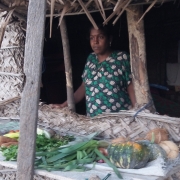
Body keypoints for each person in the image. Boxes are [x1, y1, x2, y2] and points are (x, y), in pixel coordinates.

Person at [51, 24, 136, 117]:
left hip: (119, 121)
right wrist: (64, 105)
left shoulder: (121, 57)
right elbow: (84, 87)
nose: (95, 41)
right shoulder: (91, 59)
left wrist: (136, 110)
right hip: (94, 120)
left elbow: (131, 85)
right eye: (92, 38)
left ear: (109, 39)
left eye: (100, 37)